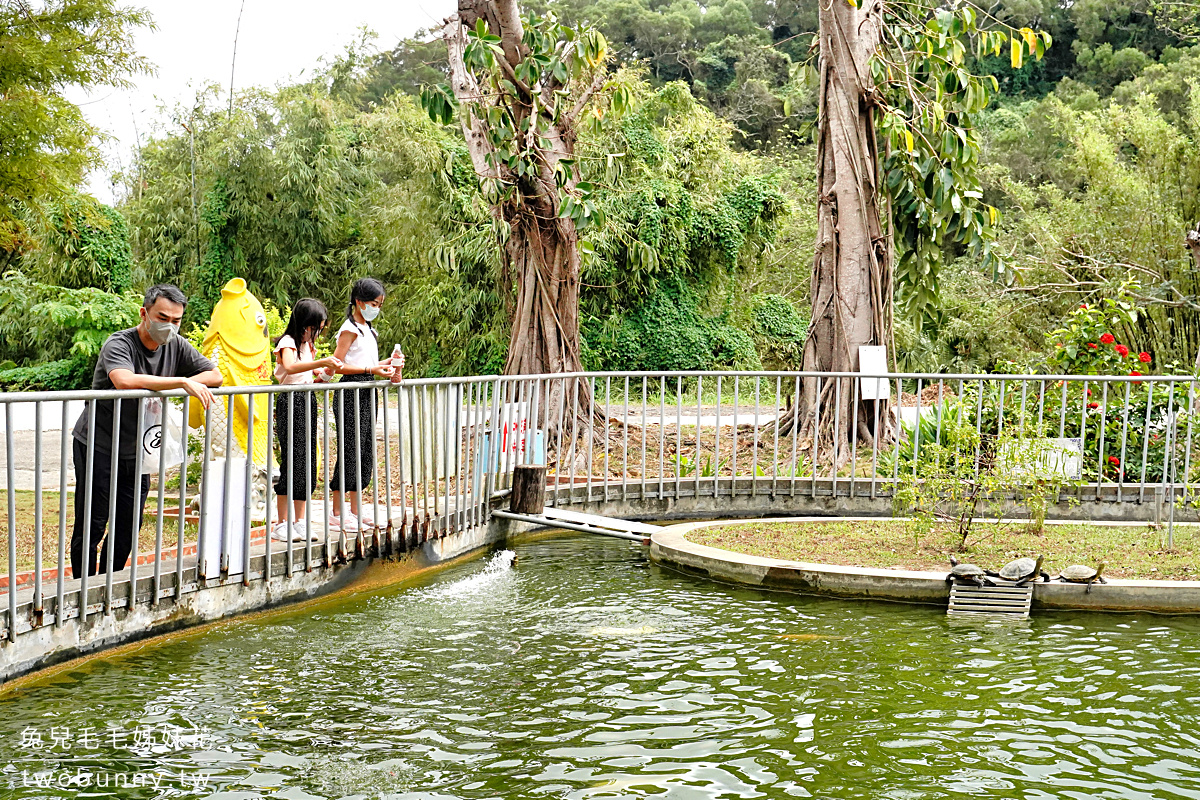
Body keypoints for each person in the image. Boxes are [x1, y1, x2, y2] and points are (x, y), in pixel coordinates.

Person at [70, 284, 223, 579]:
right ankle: (82, 590)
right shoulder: (120, 343)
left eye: (176, 321)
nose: (169, 326)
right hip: (98, 444)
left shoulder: (176, 345)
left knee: (127, 526)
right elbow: (124, 381)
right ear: (145, 313)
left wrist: (186, 381)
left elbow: (213, 374)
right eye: (162, 318)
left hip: (137, 450)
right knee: (93, 523)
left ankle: (109, 586)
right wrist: (182, 382)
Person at [327, 278, 398, 532]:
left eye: (379, 304)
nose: (376, 308)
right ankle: (337, 510)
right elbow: (337, 363)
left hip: (368, 389)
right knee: (350, 447)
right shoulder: (349, 328)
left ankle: (356, 509)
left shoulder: (369, 329)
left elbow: (370, 362)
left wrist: (389, 361)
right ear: (358, 302)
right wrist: (370, 368)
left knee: (365, 448)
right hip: (350, 389)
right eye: (373, 303)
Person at [271, 299, 342, 542]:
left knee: (307, 461)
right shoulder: (288, 343)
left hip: (307, 399)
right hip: (291, 402)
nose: (316, 333)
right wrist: (322, 362)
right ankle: (282, 523)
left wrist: (324, 373)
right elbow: (290, 368)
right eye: (315, 328)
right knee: (292, 460)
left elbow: (306, 374)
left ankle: (299, 521)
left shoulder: (306, 345)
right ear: (304, 324)